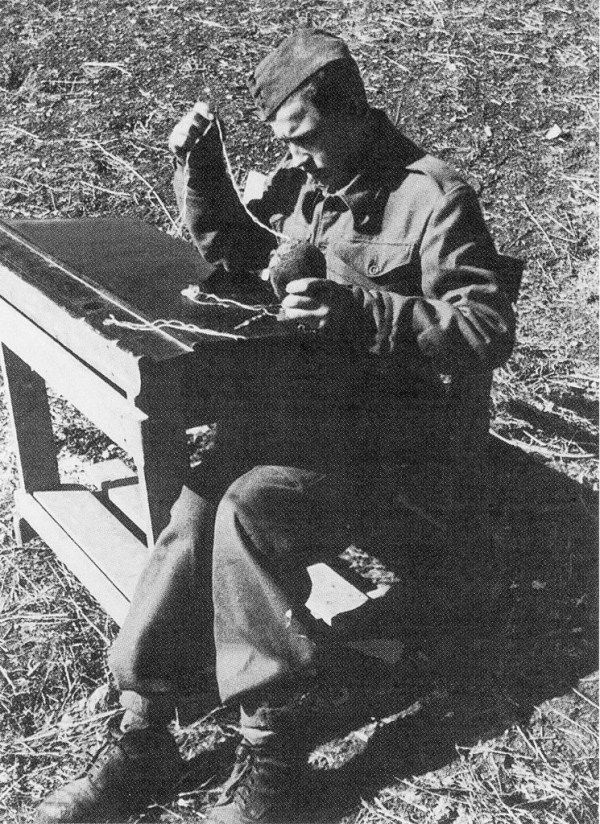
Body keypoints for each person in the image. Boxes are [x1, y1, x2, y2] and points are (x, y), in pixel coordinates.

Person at [36, 26, 516, 824]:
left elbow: (485, 330)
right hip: (309, 416)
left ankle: (275, 759)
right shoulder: (313, 182)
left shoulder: (433, 197)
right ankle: (144, 730)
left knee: (249, 510)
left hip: (399, 444)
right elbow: (245, 254)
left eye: (305, 137)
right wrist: (201, 170)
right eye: (286, 143)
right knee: (195, 508)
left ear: (351, 109)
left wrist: (362, 308)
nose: (296, 158)